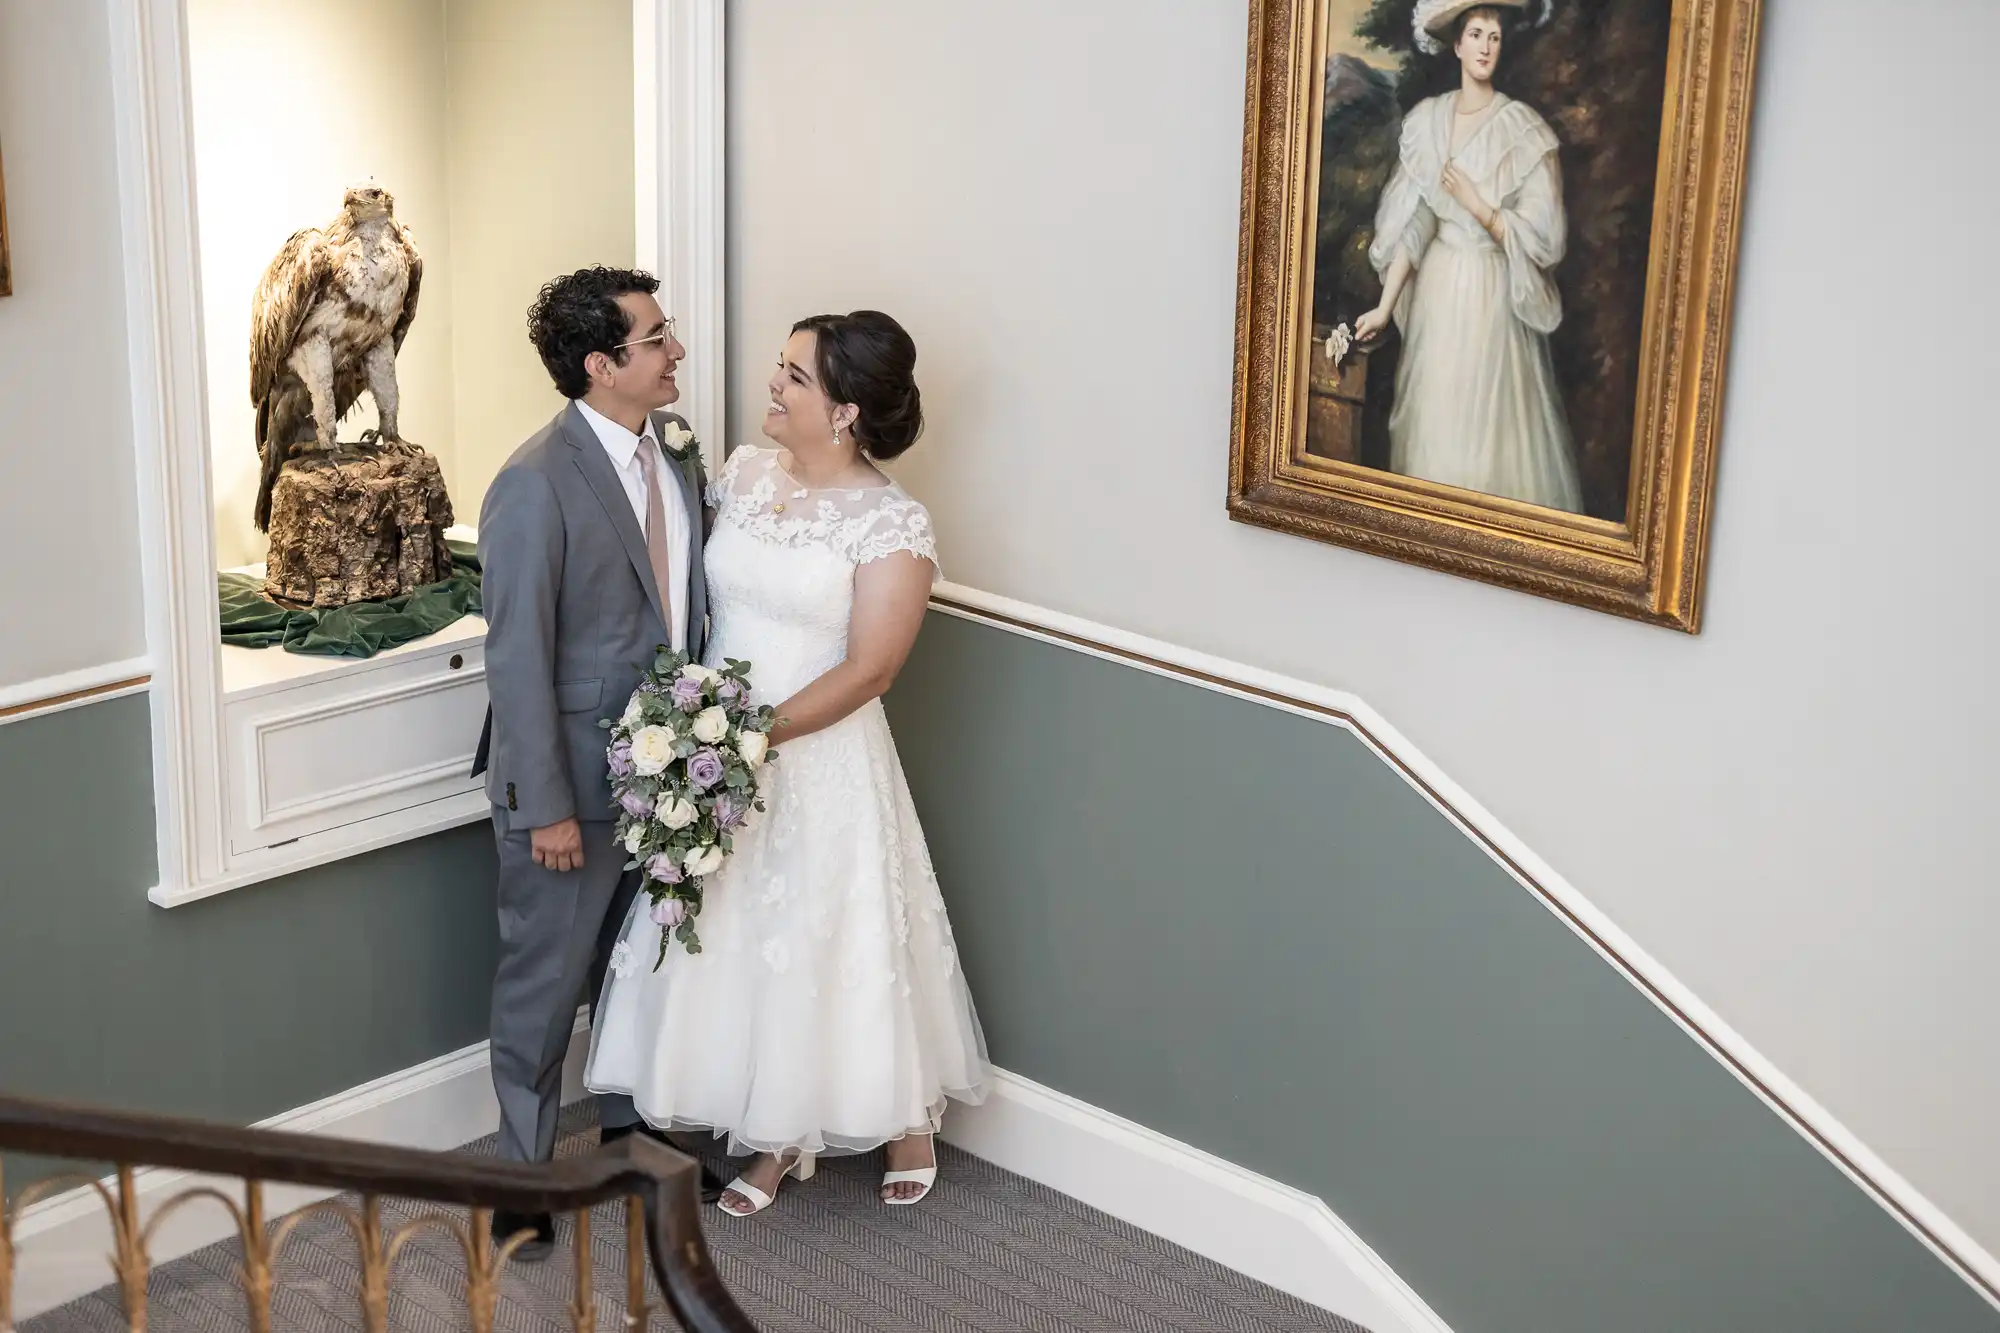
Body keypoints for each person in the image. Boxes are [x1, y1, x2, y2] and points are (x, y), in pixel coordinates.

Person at [586, 310, 992, 1215]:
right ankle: (767, 1127)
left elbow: (870, 668)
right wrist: (700, 732)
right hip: (714, 750)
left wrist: (749, 733)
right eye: (780, 368)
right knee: (731, 935)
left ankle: (872, 1125)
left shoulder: (891, 522)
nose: (772, 385)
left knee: (825, 936)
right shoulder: (740, 475)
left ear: (845, 411)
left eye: (794, 377)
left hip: (816, 756)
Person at [471, 265, 722, 1255]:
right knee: (543, 982)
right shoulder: (532, 483)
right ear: (600, 365)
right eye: (656, 338)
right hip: (569, 783)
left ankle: (633, 1130)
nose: (676, 352)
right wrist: (547, 809)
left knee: (641, 963)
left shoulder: (678, 452)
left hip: (670, 775)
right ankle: (520, 1181)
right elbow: (516, 658)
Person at [1353, 0, 1583, 513]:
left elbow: (1547, 239)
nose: (1484, 46)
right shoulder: (1428, 122)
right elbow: (1417, 225)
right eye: (1475, 34)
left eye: (1494, 37)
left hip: (1492, 302)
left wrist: (1481, 208)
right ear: (1456, 45)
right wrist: (1386, 307)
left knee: (1488, 445)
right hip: (1438, 299)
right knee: (1435, 436)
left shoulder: (1521, 129)